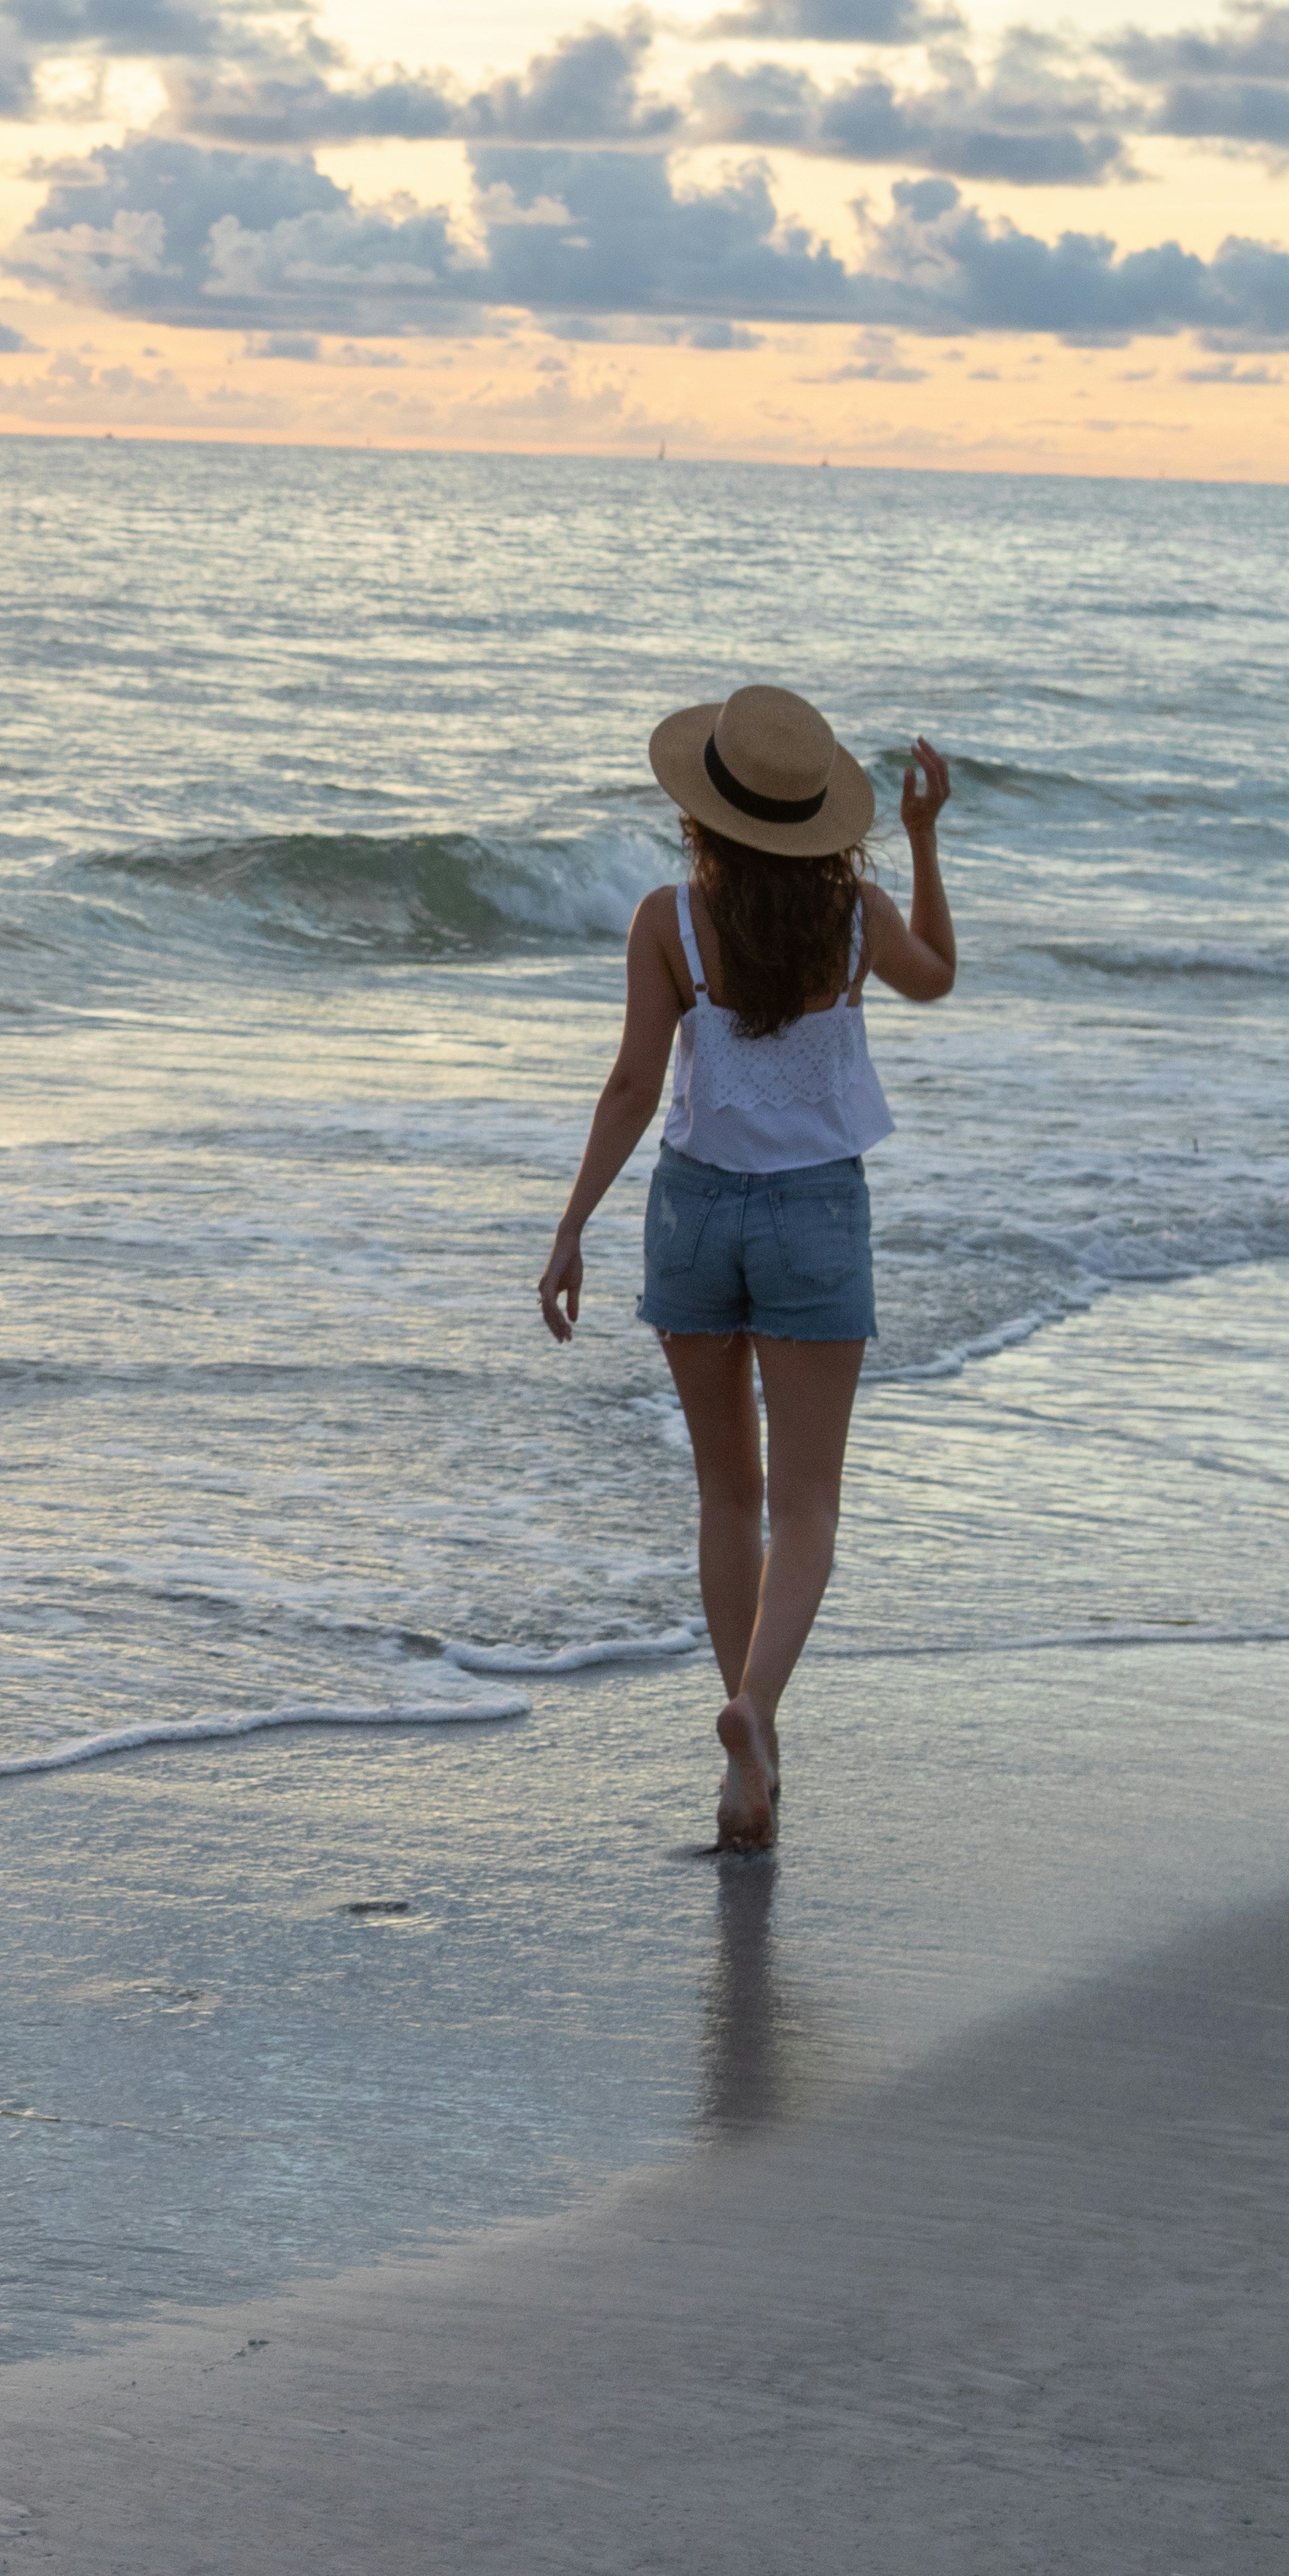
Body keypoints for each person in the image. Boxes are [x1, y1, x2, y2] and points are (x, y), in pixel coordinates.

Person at [538, 681, 956, 1848]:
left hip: (691, 1213)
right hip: (815, 1218)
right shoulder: (857, 916)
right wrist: (924, 839)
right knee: (810, 1506)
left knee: (729, 1496)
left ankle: (744, 1761)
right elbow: (939, 977)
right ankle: (755, 1713)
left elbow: (631, 1087)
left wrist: (571, 1228)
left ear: (702, 814)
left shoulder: (667, 920)